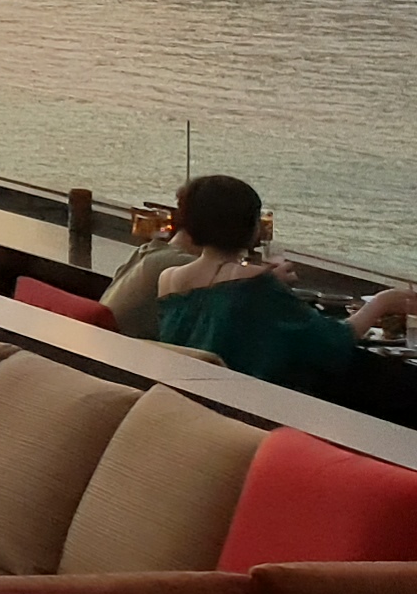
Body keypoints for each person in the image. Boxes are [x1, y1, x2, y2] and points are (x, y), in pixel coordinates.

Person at [110, 175, 417, 426]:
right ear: (250, 226)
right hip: (250, 418)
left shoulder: (169, 279)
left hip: (187, 412)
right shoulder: (255, 285)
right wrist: (383, 302)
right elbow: (332, 344)